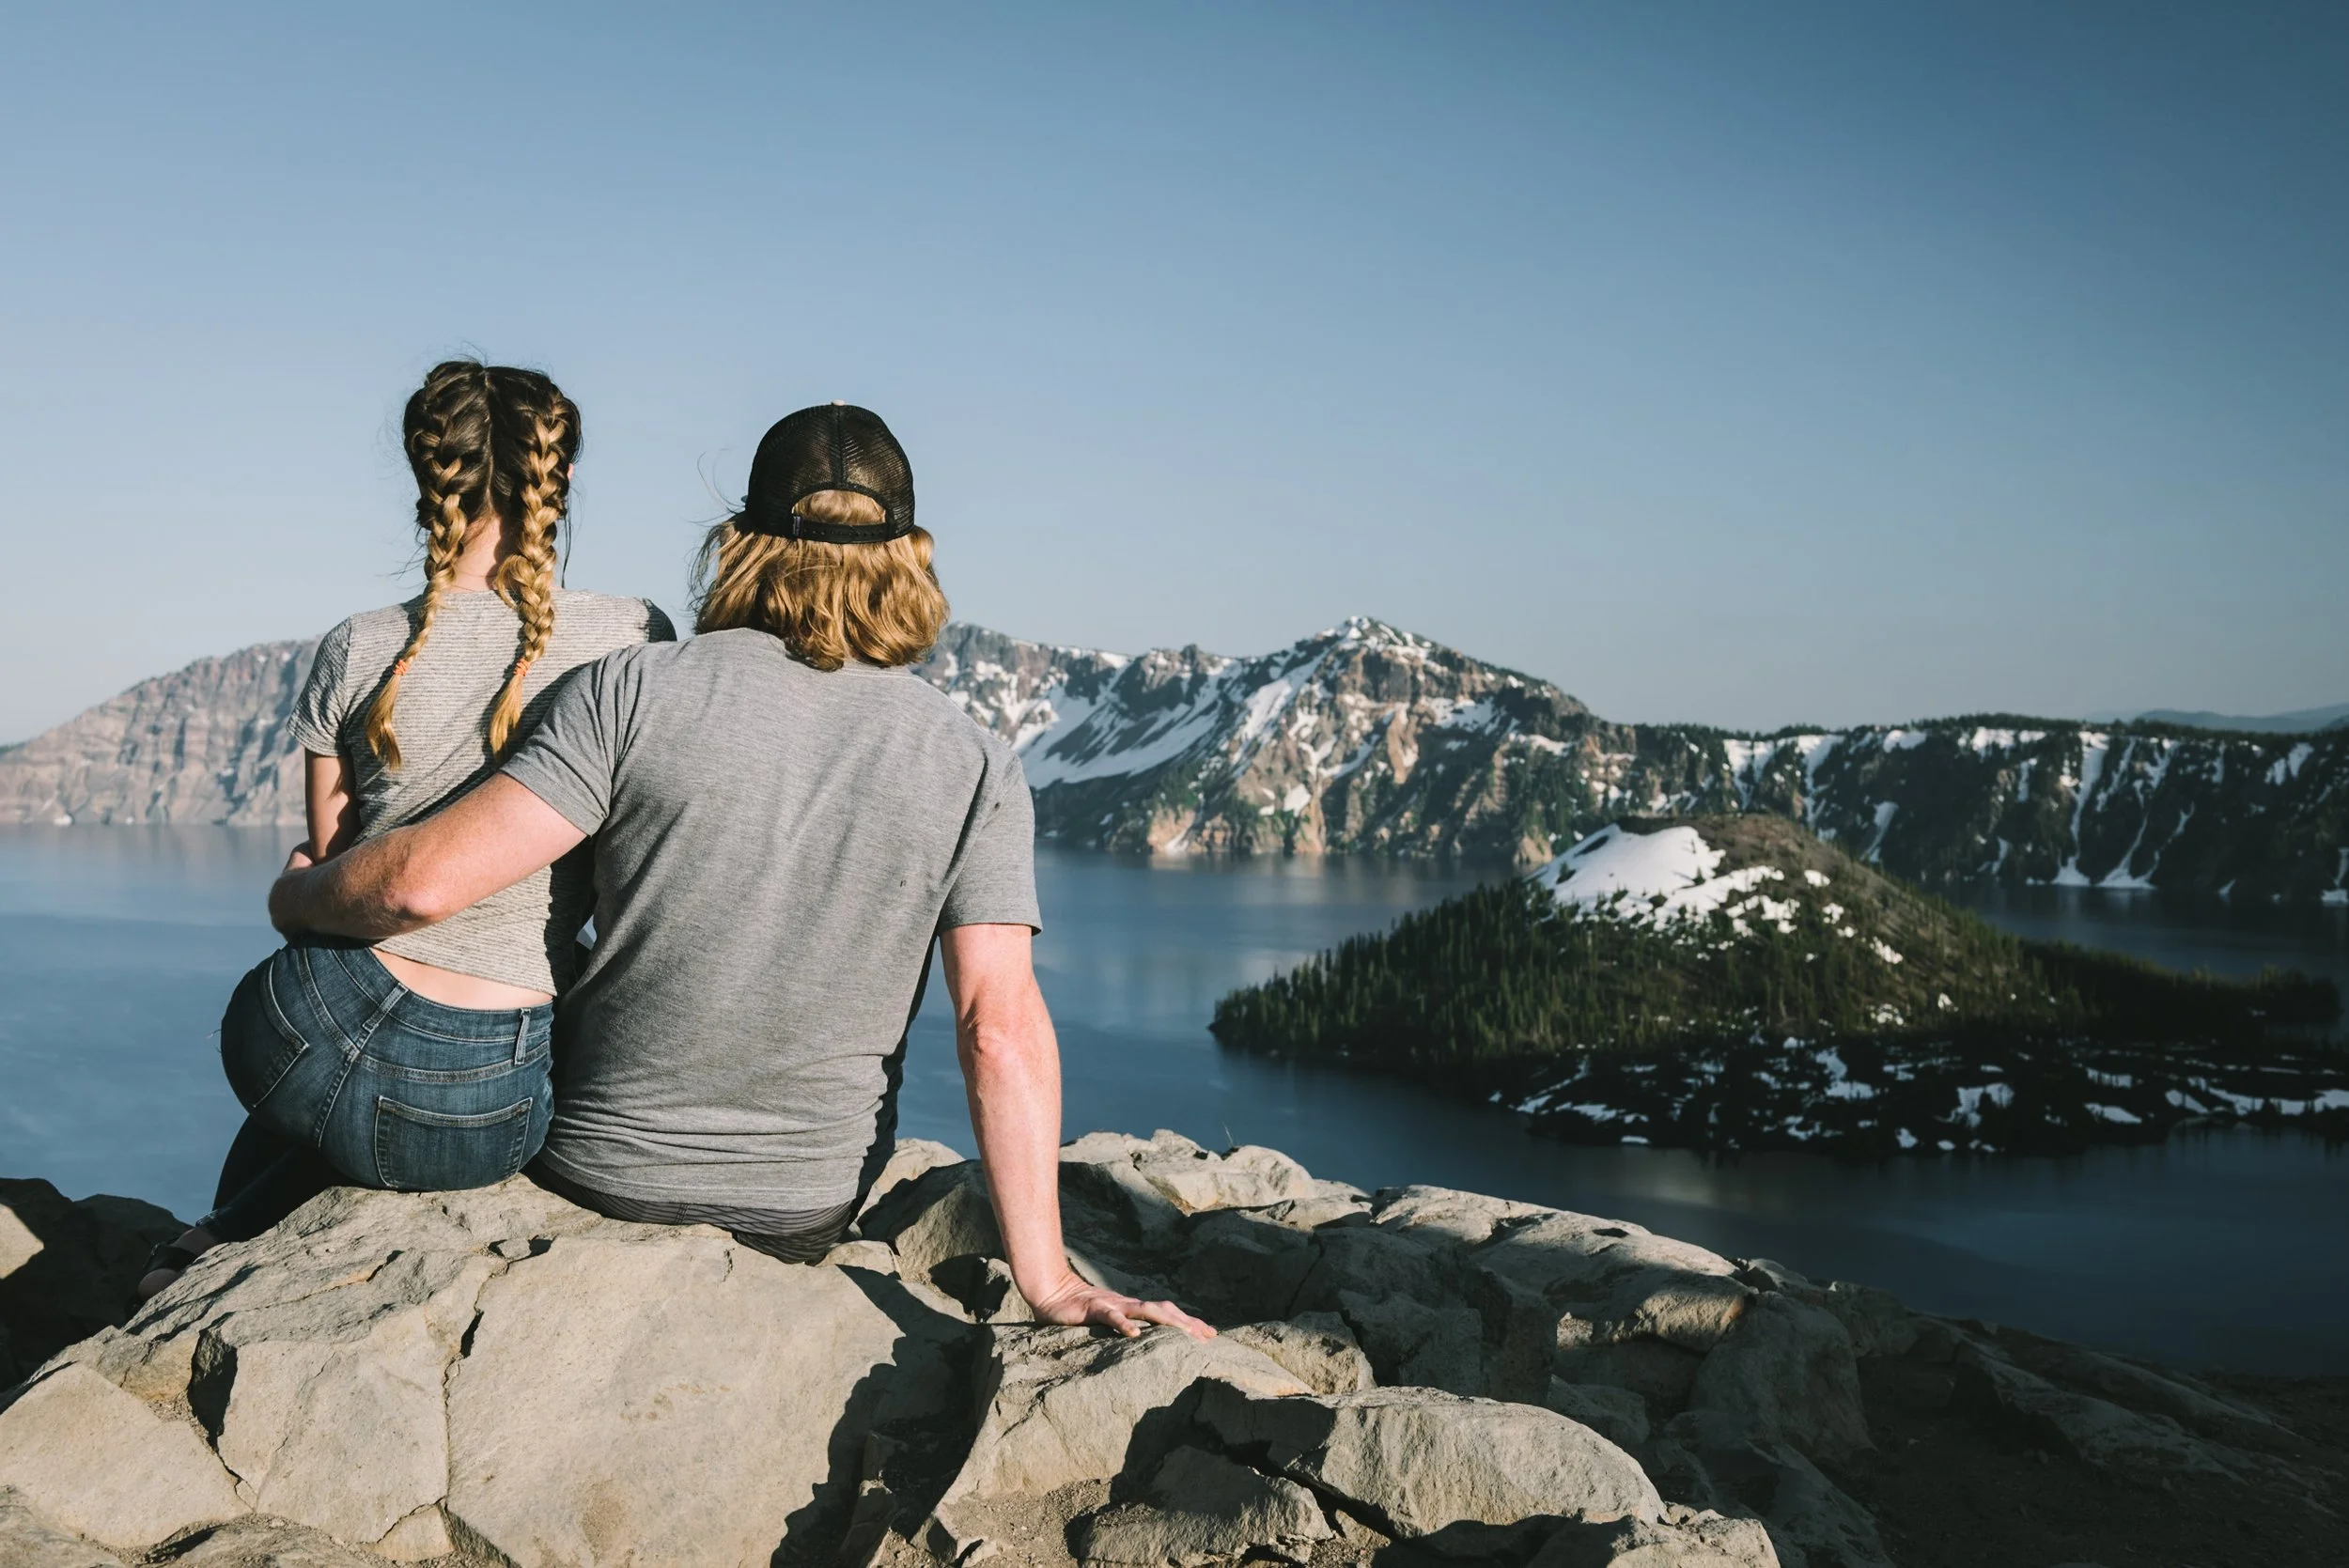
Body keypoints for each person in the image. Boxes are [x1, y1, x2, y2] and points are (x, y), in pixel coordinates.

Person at [259, 402, 1209, 1338]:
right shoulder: (974, 761)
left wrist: (299, 891)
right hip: (800, 1213)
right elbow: (996, 1029)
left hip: (597, 1174)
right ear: (910, 554)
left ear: (739, 541)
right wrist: (1046, 1280)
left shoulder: (631, 689)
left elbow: (422, 882)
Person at [135, 361, 674, 1300]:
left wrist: (302, 890)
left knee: (332, 1066)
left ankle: (208, 1243)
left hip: (297, 1031)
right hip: (483, 1097)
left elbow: (332, 878)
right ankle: (220, 1244)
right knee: (391, 1095)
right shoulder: (633, 636)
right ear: (563, 477)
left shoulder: (357, 644)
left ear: (428, 475)